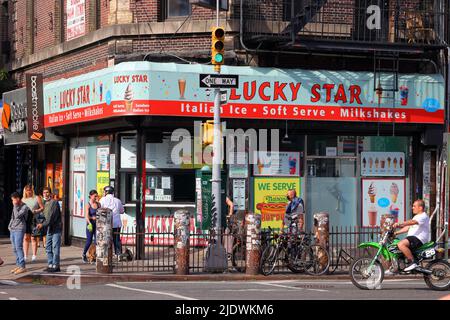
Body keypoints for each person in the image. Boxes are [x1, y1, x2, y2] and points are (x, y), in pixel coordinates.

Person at [393, 199, 430, 272]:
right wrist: (396, 233)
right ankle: (395, 267)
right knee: (396, 246)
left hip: (418, 239)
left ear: (420, 208)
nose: (412, 208)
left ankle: (413, 262)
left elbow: (412, 222)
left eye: (414, 206)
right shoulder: (416, 216)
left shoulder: (423, 216)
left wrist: (399, 223)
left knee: (401, 244)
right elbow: (408, 227)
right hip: (412, 238)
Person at [37, 187, 62, 273]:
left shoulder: (54, 202)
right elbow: (44, 216)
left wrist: (42, 224)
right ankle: (50, 264)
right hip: (49, 229)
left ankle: (56, 265)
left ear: (50, 193)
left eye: (47, 192)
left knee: (55, 247)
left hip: (56, 228)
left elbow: (51, 217)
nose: (46, 194)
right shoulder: (44, 203)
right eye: (44, 193)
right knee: (48, 248)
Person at [22, 184, 44, 262]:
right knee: (25, 238)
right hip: (26, 220)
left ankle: (34, 255)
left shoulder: (37, 198)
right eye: (27, 190)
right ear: (25, 191)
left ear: (32, 190)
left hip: (34, 219)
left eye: (30, 190)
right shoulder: (23, 199)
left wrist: (36, 211)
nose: (29, 192)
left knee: (33, 238)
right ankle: (25, 256)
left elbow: (42, 208)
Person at [99, 186, 124, 257]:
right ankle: (118, 254)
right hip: (116, 223)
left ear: (106, 192)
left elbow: (99, 209)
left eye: (104, 191)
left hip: (106, 223)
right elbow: (122, 211)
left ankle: (106, 254)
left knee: (106, 239)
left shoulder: (102, 200)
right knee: (116, 239)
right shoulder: (117, 200)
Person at [9, 192, 29, 275]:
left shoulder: (24, 206)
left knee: (18, 247)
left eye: (13, 199)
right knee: (14, 248)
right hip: (13, 229)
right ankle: (18, 265)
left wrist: (15, 205)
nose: (12, 201)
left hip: (20, 229)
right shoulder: (15, 206)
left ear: (17, 198)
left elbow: (17, 216)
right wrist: (9, 226)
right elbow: (13, 217)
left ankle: (22, 266)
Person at [82, 190, 100, 263]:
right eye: (94, 196)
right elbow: (86, 216)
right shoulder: (88, 205)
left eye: (96, 196)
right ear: (90, 196)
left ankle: (94, 256)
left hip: (97, 225)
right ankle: (84, 254)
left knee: (96, 241)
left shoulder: (99, 204)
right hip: (90, 224)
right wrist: (90, 220)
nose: (96, 197)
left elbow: (101, 213)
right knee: (89, 241)